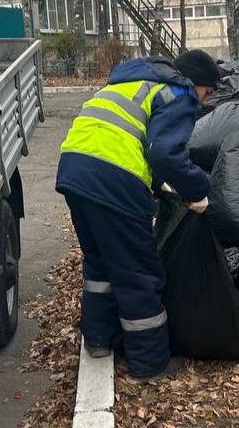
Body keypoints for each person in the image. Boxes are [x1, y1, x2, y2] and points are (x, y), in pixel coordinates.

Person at [56, 49, 220, 381]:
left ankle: (100, 340)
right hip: (113, 177)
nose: (203, 102)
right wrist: (197, 189)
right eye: (208, 93)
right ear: (197, 82)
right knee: (139, 272)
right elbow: (164, 152)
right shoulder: (179, 91)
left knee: (100, 263)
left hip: (74, 170)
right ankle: (150, 363)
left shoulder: (132, 82)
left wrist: (157, 186)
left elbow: (135, 139)